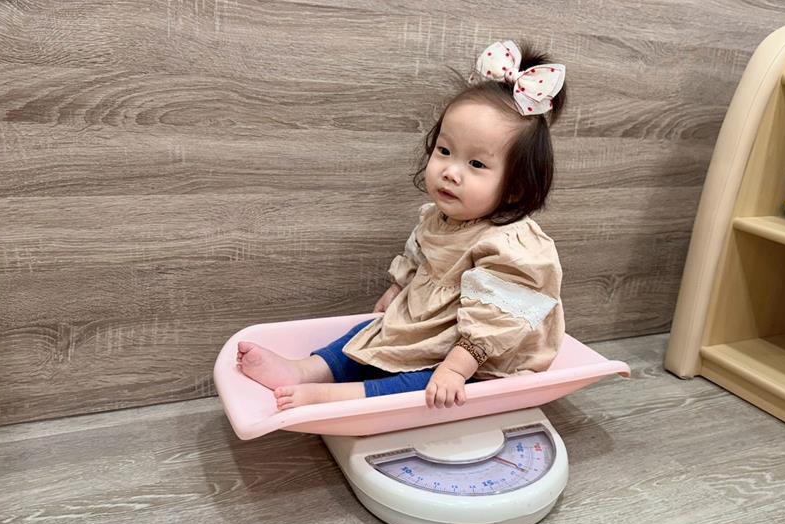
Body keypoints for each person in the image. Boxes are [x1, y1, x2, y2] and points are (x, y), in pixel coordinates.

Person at [237, 40, 567, 411]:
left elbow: (499, 321)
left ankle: (345, 396)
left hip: (485, 353)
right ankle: (306, 370)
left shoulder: (514, 245)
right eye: (444, 151)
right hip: (437, 326)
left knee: (430, 383)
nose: (450, 171)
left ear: (516, 187)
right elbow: (419, 254)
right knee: (370, 333)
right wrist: (398, 288)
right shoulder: (439, 217)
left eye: (476, 164)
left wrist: (455, 368)